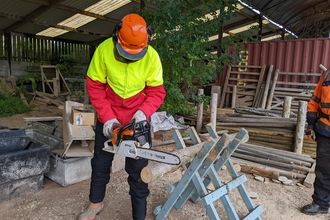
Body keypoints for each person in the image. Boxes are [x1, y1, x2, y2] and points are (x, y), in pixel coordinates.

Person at [78, 13, 166, 220]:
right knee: (100, 165)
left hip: (137, 119)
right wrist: (107, 117)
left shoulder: (152, 56)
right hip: (109, 116)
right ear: (117, 37)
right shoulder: (103, 50)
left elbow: (156, 92)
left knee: (138, 172)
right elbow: (95, 86)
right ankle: (95, 205)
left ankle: (139, 216)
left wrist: (143, 113)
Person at [302, 68, 330, 215]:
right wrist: (311, 125)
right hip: (326, 130)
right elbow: (314, 101)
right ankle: (321, 204)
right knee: (323, 169)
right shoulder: (327, 74)